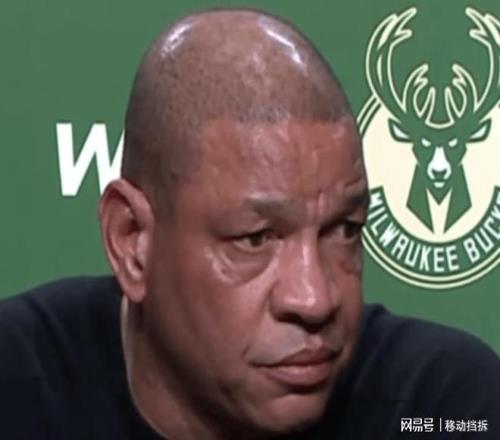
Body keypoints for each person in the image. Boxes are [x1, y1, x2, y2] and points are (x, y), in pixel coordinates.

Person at [0, 8, 499, 440]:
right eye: (255, 239)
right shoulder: (17, 384)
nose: (315, 299)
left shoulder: (444, 404)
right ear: (132, 241)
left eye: (343, 229)